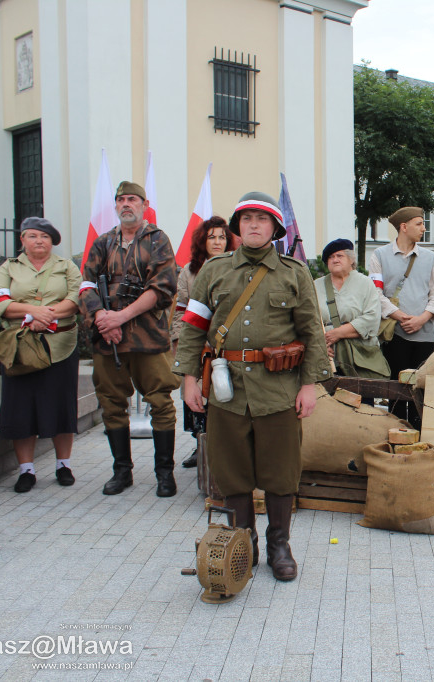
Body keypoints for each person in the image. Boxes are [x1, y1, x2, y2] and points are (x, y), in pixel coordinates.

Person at [174, 191, 332, 581]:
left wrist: (309, 385)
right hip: (227, 392)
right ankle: (243, 545)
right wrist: (189, 379)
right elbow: (193, 329)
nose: (254, 226)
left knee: (281, 473)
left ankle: (280, 545)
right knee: (232, 474)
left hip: (278, 389)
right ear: (237, 228)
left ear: (275, 228)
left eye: (262, 220)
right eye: (246, 220)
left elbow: (313, 331)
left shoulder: (294, 273)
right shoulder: (214, 271)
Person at [79, 180, 179, 497]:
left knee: (161, 402)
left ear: (144, 204)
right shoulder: (102, 243)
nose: (126, 204)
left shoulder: (158, 240)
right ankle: (122, 471)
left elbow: (162, 287)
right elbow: (85, 285)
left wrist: (120, 316)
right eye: (121, 199)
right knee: (111, 404)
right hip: (108, 340)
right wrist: (101, 318)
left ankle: (165, 474)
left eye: (132, 199)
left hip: (147, 338)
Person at [0, 218, 82, 492]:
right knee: (21, 409)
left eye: (44, 236)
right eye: (32, 236)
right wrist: (34, 313)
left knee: (61, 406)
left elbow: (76, 298)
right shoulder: (9, 267)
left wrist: (46, 316)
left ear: (52, 241)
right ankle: (26, 470)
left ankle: (63, 465)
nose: (39, 241)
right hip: (20, 349)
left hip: (60, 347)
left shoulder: (66, 266)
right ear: (23, 240)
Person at [367, 206, 434, 426]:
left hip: (425, 335)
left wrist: (422, 318)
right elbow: (376, 292)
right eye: (419, 223)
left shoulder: (430, 257)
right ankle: (397, 433)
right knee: (397, 389)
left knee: (422, 389)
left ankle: (421, 434)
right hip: (395, 336)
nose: (423, 228)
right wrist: (400, 316)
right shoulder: (379, 255)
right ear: (404, 226)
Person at [171, 216, 236, 468]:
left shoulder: (234, 266)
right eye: (212, 237)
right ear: (202, 241)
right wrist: (179, 342)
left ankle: (224, 448)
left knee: (223, 392)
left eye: (222, 237)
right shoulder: (189, 271)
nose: (217, 242)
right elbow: (180, 310)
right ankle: (200, 445)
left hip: (226, 344)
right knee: (195, 394)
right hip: (197, 342)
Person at [313, 238, 389, 379]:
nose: (335, 260)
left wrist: (338, 333)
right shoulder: (316, 286)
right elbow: (308, 320)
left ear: (351, 259)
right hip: (326, 359)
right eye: (330, 257)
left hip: (360, 359)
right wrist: (318, 344)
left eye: (339, 256)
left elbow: (372, 319)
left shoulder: (365, 283)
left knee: (363, 399)